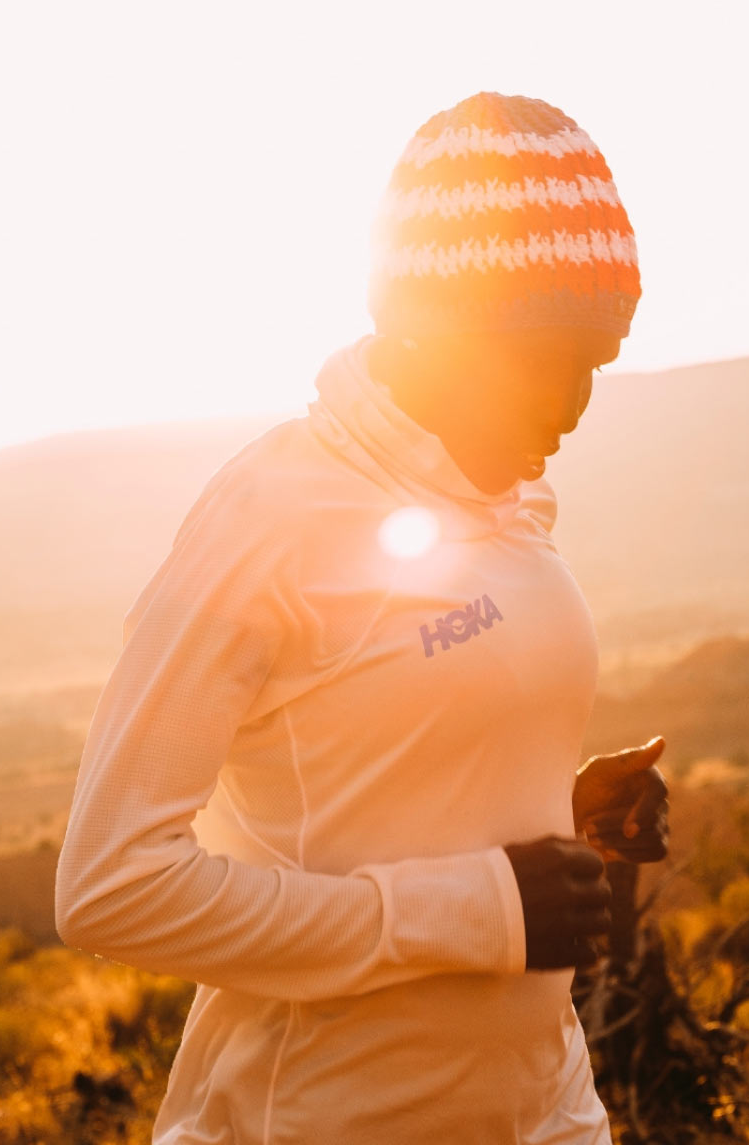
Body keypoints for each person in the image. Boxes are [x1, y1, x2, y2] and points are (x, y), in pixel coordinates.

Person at [55, 91, 668, 1144]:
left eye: (596, 362)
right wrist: (478, 906)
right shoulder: (269, 518)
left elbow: (386, 777)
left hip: (545, 1114)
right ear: (430, 328)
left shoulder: (509, 502)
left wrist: (562, 813)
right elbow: (109, 887)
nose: (573, 405)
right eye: (546, 358)